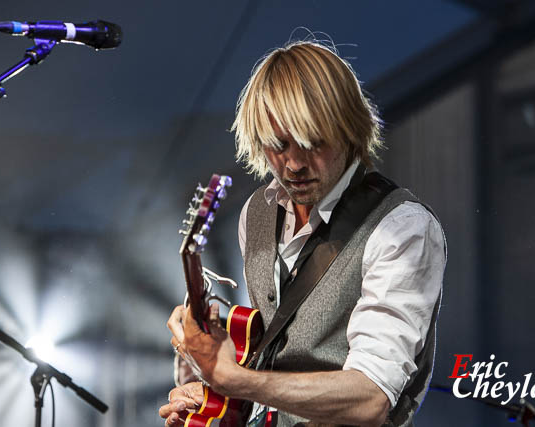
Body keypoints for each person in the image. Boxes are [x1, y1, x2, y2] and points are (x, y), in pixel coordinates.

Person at [159, 40, 446, 426]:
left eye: (313, 143)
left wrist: (236, 379)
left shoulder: (402, 228)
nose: (293, 163)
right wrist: (213, 398)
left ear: (349, 129)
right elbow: (271, 366)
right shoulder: (256, 213)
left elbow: (371, 397)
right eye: (277, 145)